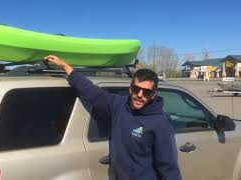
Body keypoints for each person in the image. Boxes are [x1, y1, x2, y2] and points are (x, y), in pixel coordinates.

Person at [44, 55, 182, 180]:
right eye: (136, 89)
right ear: (130, 88)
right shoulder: (118, 105)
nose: (140, 95)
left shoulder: (160, 123)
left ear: (153, 95)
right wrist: (66, 67)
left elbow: (169, 166)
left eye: (146, 92)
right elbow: (92, 92)